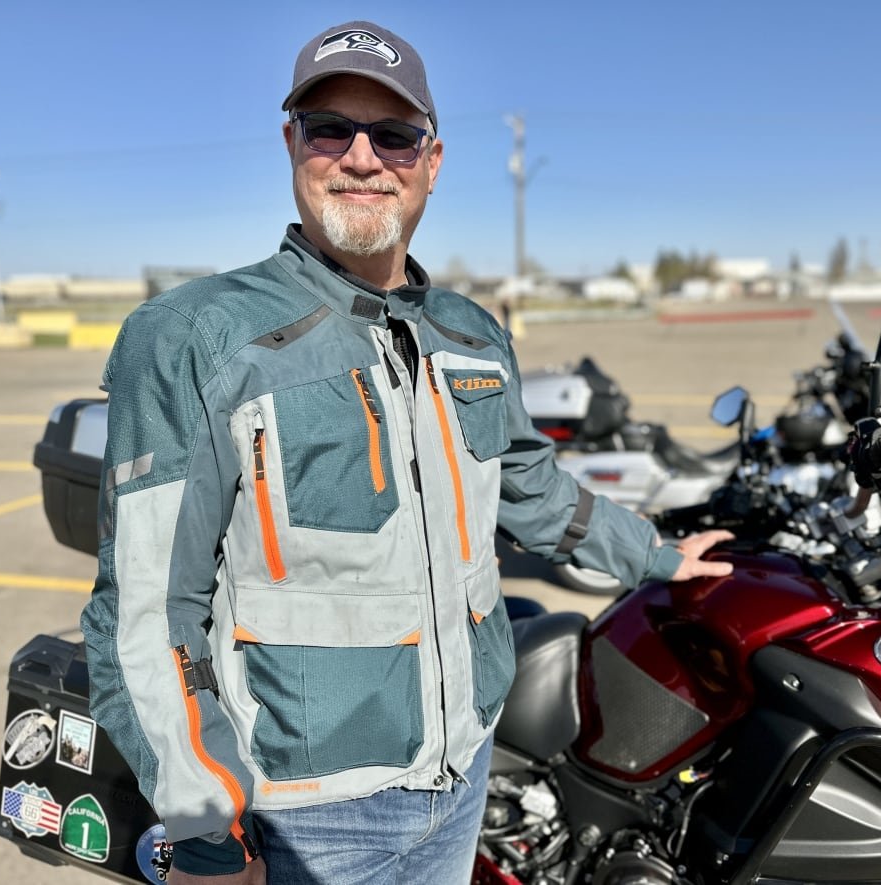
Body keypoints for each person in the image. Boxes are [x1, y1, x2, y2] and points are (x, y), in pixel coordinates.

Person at [79, 20, 733, 885]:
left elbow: (530, 487)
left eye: (392, 135)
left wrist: (656, 553)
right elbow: (146, 614)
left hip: (461, 773)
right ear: (291, 144)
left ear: (430, 160)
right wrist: (208, 828)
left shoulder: (469, 332)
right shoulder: (197, 336)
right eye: (330, 129)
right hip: (306, 813)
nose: (361, 157)